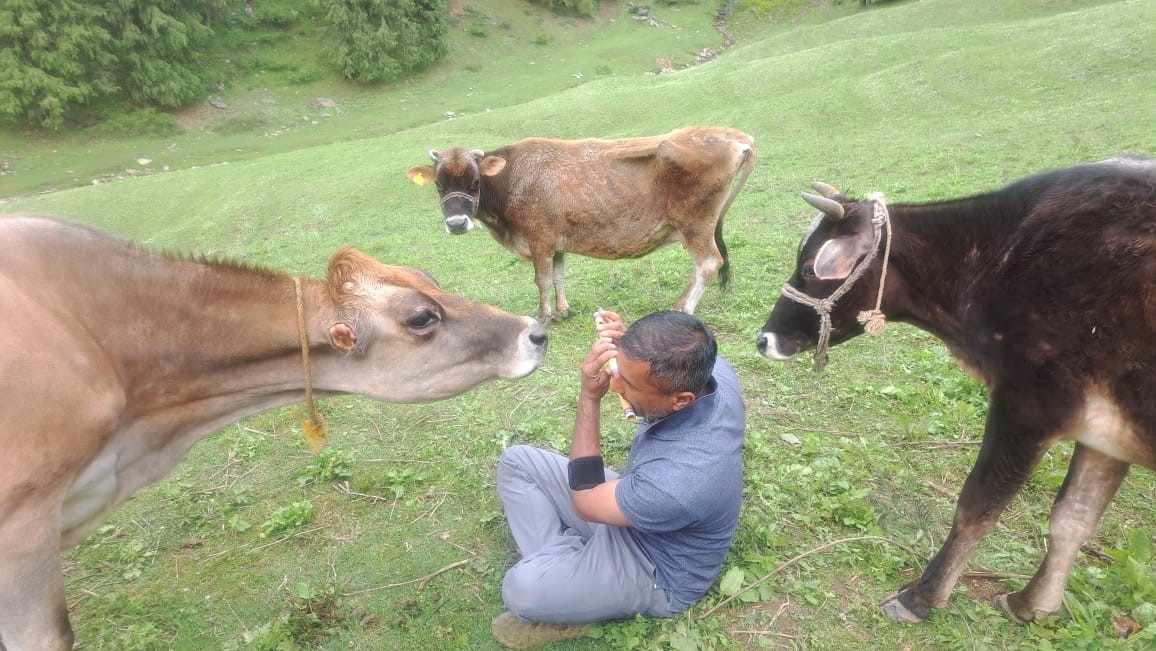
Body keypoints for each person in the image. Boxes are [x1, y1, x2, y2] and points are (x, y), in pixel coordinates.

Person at [491, 310, 746, 649]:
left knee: (520, 589)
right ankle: (571, 571)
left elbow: (585, 499)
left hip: (655, 568)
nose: (614, 385)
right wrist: (633, 347)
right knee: (517, 461)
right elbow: (670, 353)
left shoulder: (677, 484)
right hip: (637, 509)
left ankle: (568, 577)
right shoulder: (715, 373)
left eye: (629, 383)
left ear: (680, 400)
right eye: (619, 371)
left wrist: (589, 399)